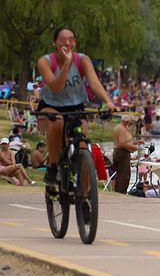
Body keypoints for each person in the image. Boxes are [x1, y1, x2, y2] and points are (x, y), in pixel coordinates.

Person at [36, 26, 116, 193]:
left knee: (83, 146)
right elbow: (56, 87)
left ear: (75, 42)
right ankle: (52, 167)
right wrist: (65, 63)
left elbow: (94, 83)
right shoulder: (45, 61)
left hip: (75, 106)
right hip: (51, 105)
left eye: (71, 39)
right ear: (54, 42)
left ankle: (85, 197)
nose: (67, 42)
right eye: (63, 39)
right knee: (57, 122)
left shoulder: (83, 60)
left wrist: (108, 101)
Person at [112, 115, 143, 194]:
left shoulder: (117, 127)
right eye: (130, 122)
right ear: (126, 121)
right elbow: (122, 143)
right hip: (122, 153)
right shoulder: (122, 129)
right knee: (125, 175)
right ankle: (122, 192)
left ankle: (117, 192)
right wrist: (135, 147)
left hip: (117, 152)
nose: (131, 124)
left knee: (119, 174)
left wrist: (136, 142)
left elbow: (124, 141)